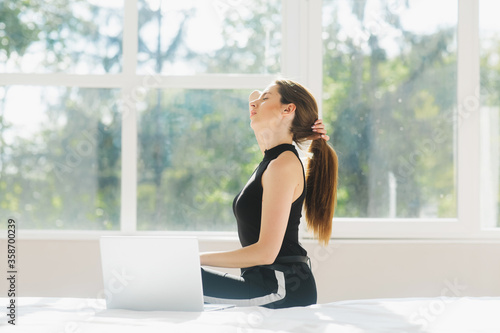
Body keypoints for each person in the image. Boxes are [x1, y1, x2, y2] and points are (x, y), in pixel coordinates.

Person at [200, 79, 338, 309]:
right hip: (266, 282)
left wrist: (194, 258)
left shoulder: (283, 165)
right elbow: (253, 97)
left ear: (288, 109)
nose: (254, 104)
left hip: (281, 287)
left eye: (264, 99)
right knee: (178, 277)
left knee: (179, 277)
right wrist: (265, 98)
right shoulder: (272, 158)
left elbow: (265, 254)